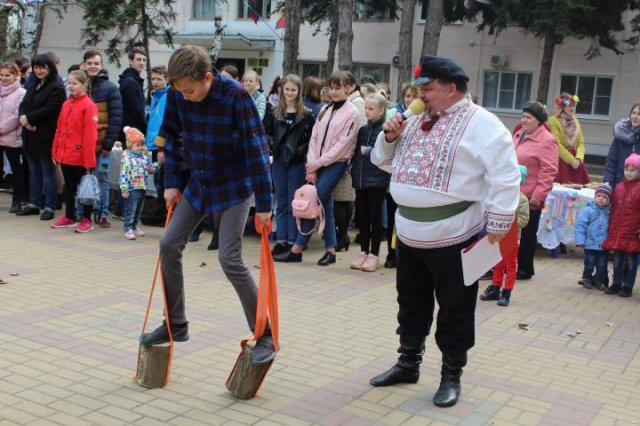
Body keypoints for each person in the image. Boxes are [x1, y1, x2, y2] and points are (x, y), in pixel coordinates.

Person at [368, 55, 520, 408]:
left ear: (452, 89)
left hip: (455, 233)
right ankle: (408, 362)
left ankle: (451, 374)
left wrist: (500, 221)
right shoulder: (416, 118)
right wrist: (389, 136)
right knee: (410, 301)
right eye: (418, 88)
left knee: (455, 308)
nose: (418, 95)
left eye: (428, 88)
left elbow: (505, 174)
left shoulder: (484, 124)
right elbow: (382, 161)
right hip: (408, 231)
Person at [139, 46, 275, 364]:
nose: (185, 97)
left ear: (208, 78)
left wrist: (265, 203)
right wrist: (171, 181)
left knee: (230, 259)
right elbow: (168, 137)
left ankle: (265, 333)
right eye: (180, 91)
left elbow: (257, 151)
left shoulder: (236, 97)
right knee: (168, 243)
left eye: (190, 90)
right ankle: (176, 324)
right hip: (199, 185)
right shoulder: (177, 93)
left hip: (234, 186)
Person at [273, 70, 360, 265]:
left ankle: (297, 247)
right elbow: (314, 138)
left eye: (339, 88)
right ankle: (331, 250)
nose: (335, 92)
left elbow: (342, 146)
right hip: (317, 163)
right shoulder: (325, 109)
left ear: (349, 88)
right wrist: (312, 165)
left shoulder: (352, 113)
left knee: (315, 200)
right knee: (325, 206)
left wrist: (317, 163)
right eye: (332, 87)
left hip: (335, 164)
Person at [263, 74, 315, 256]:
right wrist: (274, 147)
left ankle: (293, 240)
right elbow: (265, 133)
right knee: (281, 201)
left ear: (299, 91)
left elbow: (311, 140)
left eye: (294, 90)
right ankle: (281, 240)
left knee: (295, 203)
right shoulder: (273, 112)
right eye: (287, 89)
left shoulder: (307, 115)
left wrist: (299, 151)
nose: (290, 93)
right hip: (278, 160)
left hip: (297, 162)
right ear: (282, 90)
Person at [513, 101, 558, 280]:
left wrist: (538, 195)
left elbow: (549, 170)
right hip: (513, 192)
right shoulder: (518, 134)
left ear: (539, 121)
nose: (524, 120)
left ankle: (524, 268)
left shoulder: (547, 140)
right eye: (523, 116)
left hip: (530, 195)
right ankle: (510, 264)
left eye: (528, 117)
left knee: (527, 232)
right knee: (512, 230)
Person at [17, 54, 66, 220]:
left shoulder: (56, 86)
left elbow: (51, 109)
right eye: (36, 67)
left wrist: (29, 118)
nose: (39, 70)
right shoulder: (34, 83)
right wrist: (24, 120)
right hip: (30, 134)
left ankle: (50, 206)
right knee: (34, 171)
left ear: (50, 68)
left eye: (42, 67)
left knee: (48, 173)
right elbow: (24, 104)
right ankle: (34, 203)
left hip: (45, 135)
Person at [50, 70, 98, 233]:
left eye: (74, 83)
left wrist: (89, 161)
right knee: (69, 187)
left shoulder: (89, 106)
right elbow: (59, 129)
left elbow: (90, 136)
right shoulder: (66, 103)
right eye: (69, 83)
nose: (70, 86)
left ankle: (86, 219)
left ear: (84, 85)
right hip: (66, 154)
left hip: (81, 157)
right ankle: (70, 216)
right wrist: (56, 151)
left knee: (85, 188)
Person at [80, 50, 123, 228]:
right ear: (83, 65)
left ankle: (103, 214)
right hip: (84, 145)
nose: (93, 66)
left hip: (103, 146)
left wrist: (108, 142)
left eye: (96, 63)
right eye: (89, 63)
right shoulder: (80, 87)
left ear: (101, 66)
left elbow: (116, 117)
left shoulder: (111, 88)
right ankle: (83, 213)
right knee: (85, 178)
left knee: (102, 177)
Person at [350, 93, 390, 272]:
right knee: (363, 218)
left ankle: (374, 254)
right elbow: (357, 154)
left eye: (371, 109)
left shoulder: (386, 130)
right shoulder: (363, 130)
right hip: (361, 179)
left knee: (375, 218)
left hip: (377, 180)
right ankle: (363, 251)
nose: (367, 111)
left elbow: (385, 155)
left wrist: (368, 152)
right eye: (366, 108)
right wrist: (355, 171)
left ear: (382, 110)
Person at [479, 165, 530, 306]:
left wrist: (507, 224)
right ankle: (495, 288)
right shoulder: (499, 197)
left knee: (510, 266)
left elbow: (524, 220)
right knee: (497, 263)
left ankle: (506, 292)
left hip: (512, 238)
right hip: (497, 236)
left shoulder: (522, 200)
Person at [602, 153, 640, 298]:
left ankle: (628, 285)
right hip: (617, 231)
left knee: (631, 260)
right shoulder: (618, 187)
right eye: (627, 169)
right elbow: (613, 210)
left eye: (633, 170)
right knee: (617, 259)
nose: (629, 173)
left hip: (632, 232)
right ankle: (616, 282)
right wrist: (610, 227)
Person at [120, 126, 155, 240]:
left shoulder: (144, 157)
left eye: (141, 145)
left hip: (142, 186)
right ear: (130, 145)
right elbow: (124, 174)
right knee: (131, 209)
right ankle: (128, 228)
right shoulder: (127, 158)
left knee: (139, 209)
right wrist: (124, 189)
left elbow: (150, 169)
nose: (140, 148)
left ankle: (134, 226)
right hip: (132, 188)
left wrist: (154, 165)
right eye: (137, 145)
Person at [0, 61, 26, 213]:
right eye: (1, 75)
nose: (4, 78)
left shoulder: (22, 93)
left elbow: (17, 115)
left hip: (13, 138)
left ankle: (17, 200)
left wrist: (1, 129)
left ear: (16, 75)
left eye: (7, 75)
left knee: (16, 169)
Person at [574, 183, 611, 291]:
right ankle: (587, 278)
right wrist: (580, 240)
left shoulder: (610, 212)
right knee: (589, 263)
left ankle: (599, 280)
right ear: (595, 197)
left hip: (604, 244)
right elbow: (580, 226)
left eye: (605, 197)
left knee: (602, 265)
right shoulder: (588, 210)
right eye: (599, 196)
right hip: (590, 243)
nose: (601, 199)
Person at [145, 65, 170, 224]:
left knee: (162, 181)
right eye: (153, 79)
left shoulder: (168, 97)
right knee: (157, 180)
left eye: (159, 79)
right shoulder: (155, 96)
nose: (155, 82)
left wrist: (162, 146)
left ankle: (163, 214)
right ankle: (161, 211)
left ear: (166, 80)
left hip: (162, 146)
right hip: (153, 144)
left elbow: (165, 123)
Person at [549, 93, 590, 185]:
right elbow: (556, 144)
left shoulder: (575, 121)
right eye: (569, 106)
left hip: (576, 161)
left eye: (574, 106)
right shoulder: (553, 121)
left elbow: (580, 142)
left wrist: (579, 159)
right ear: (562, 107)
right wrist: (571, 161)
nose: (572, 108)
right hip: (561, 160)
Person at [603, 103, 640, 188]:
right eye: (633, 113)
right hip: (619, 184)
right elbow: (611, 161)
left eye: (639, 114)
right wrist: (607, 182)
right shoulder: (621, 134)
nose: (635, 116)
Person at [118, 48, 148, 141]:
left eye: (144, 60)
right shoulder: (131, 82)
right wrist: (146, 130)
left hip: (129, 132)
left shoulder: (133, 80)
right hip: (131, 133)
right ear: (131, 61)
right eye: (138, 59)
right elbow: (137, 111)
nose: (142, 63)